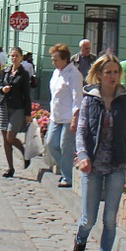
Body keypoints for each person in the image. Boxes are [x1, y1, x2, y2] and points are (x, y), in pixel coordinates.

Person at [71, 53, 126, 251]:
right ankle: (80, 240)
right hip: (93, 166)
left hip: (117, 164)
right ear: (99, 74)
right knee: (89, 219)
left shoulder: (125, 100)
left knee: (110, 219)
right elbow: (81, 131)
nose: (112, 76)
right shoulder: (90, 98)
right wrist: (83, 155)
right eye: (108, 72)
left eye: (116, 72)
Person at [46, 43, 83, 187]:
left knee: (65, 146)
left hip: (69, 117)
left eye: (56, 59)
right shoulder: (56, 72)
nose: (53, 62)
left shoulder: (74, 74)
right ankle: (67, 168)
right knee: (50, 144)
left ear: (65, 59)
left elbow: (77, 97)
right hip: (55, 116)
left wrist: (75, 117)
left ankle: (67, 177)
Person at [0, 47, 32, 177]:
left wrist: (28, 113)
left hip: (18, 108)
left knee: (10, 137)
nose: (14, 58)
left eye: (17, 56)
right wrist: (2, 89)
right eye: (12, 56)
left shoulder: (24, 74)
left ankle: (24, 151)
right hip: (4, 106)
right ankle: (10, 168)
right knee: (5, 140)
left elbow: (27, 95)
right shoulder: (5, 71)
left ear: (21, 57)